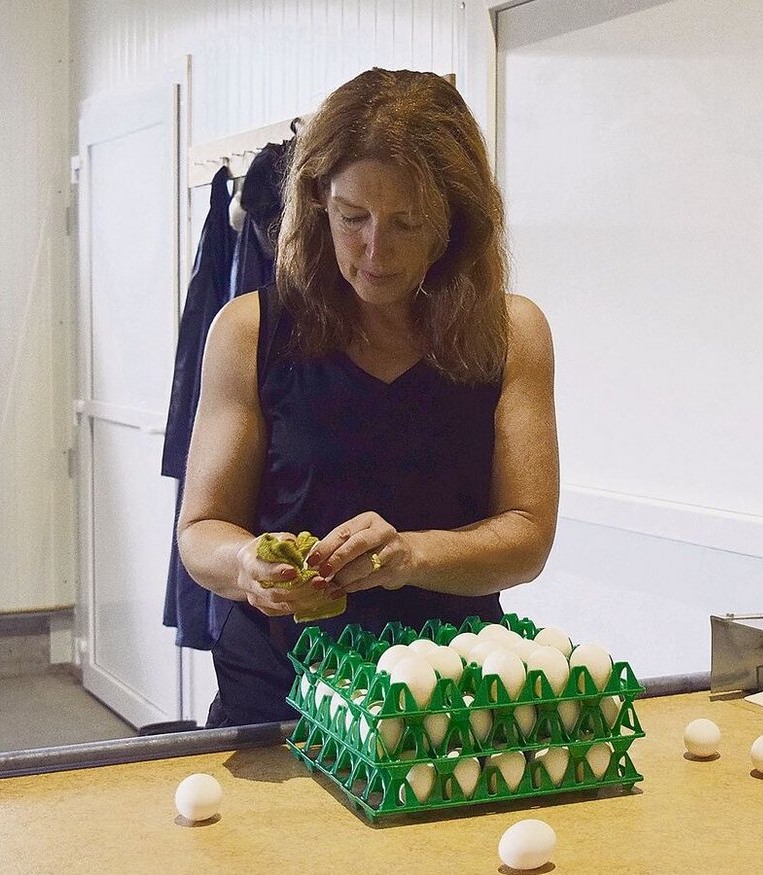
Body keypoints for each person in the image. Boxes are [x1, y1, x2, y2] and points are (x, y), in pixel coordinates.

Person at [177, 68, 559, 727]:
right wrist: (245, 562)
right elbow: (200, 529)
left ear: (453, 221)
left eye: (407, 224)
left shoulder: (512, 332)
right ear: (319, 199)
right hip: (279, 699)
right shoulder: (248, 331)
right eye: (353, 218)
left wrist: (408, 555)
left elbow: (527, 535)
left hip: (446, 704)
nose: (375, 251)